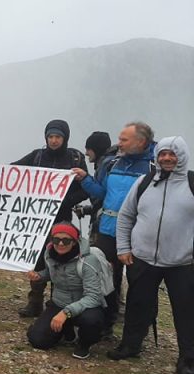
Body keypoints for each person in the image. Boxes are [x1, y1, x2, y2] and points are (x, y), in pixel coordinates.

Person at [0, 119, 89, 317]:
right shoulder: (37, 156)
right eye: (50, 137)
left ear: (65, 138)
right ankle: (35, 302)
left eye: (58, 137)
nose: (54, 141)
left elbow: (85, 188)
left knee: (60, 258)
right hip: (37, 220)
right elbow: (12, 172)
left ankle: (57, 303)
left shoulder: (76, 158)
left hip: (61, 221)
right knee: (37, 259)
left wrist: (67, 200)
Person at [109, 136, 194, 374]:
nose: (167, 158)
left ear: (182, 156)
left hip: (182, 261)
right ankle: (130, 346)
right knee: (137, 304)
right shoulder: (144, 182)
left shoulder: (191, 182)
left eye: (172, 154)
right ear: (157, 157)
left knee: (186, 311)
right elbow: (126, 216)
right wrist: (123, 248)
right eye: (162, 154)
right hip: (143, 257)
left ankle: (187, 359)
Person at [72, 122, 156, 336]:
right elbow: (101, 193)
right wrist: (85, 179)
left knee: (138, 283)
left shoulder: (153, 168)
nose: (119, 143)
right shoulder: (112, 163)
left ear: (141, 142)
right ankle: (105, 324)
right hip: (108, 230)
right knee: (103, 277)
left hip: (138, 234)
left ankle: (134, 335)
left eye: (124, 140)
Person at [26, 222, 106, 359]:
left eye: (66, 240)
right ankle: (66, 331)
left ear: (74, 242)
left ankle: (84, 344)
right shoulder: (49, 253)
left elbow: (93, 296)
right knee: (37, 340)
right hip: (59, 302)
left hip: (84, 306)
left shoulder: (88, 260)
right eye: (56, 240)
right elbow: (51, 273)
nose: (61, 244)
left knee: (92, 320)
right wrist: (39, 277)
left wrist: (66, 312)